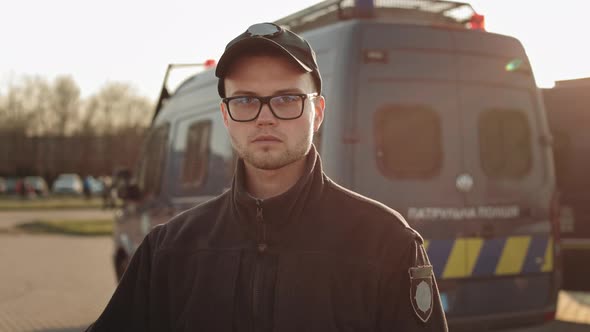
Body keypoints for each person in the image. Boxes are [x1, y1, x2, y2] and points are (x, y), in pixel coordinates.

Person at [86, 22, 448, 331]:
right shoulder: (168, 251)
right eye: (245, 101)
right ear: (226, 116)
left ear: (317, 112)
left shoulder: (386, 244)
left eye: (287, 98)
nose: (265, 117)